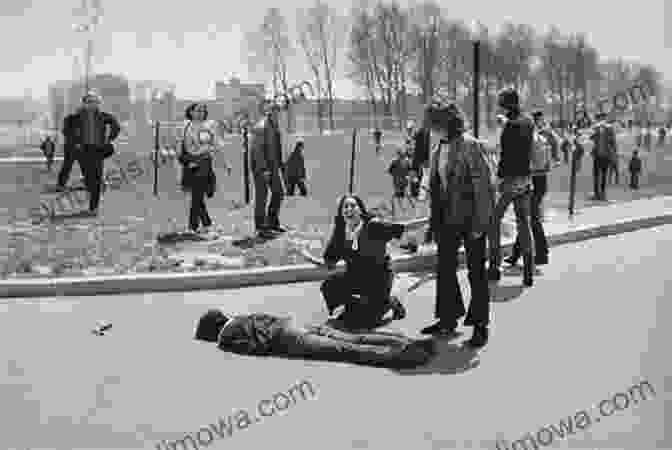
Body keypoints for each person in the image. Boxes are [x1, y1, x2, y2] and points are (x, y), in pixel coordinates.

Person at [418, 98, 495, 348]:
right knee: (445, 269)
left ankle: (481, 325)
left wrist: (480, 223)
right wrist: (433, 222)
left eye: (435, 124)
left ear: (447, 123)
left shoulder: (471, 146)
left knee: (476, 272)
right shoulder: (437, 150)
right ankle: (447, 319)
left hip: (471, 219)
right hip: (446, 221)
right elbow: (437, 189)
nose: (431, 129)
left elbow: (484, 188)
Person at [194, 309, 433, 368]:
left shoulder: (225, 338)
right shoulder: (241, 317)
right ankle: (408, 342)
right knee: (356, 337)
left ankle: (406, 356)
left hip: (287, 339)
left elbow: (253, 348)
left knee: (345, 350)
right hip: (293, 323)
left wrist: (268, 349)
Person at [320, 194, 410, 330]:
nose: (349, 209)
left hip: (378, 278)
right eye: (345, 206)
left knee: (368, 322)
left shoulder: (373, 226)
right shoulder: (340, 233)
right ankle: (346, 313)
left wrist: (431, 221)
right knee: (329, 285)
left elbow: (402, 228)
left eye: (353, 206)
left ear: (360, 209)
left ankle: (390, 302)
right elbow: (329, 263)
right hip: (356, 276)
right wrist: (306, 255)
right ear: (341, 212)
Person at [487, 88, 535, 286]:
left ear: (506, 106)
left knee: (493, 220)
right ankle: (528, 271)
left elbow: (505, 155)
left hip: (510, 180)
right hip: (526, 179)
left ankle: (495, 266)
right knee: (524, 223)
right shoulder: (529, 122)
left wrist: (498, 178)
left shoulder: (509, 127)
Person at [505, 110, 556, 268]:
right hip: (541, 181)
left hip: (531, 182)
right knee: (527, 218)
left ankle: (541, 254)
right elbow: (549, 161)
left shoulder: (529, 139)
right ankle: (516, 254)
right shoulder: (542, 137)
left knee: (531, 219)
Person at [60, 91, 121, 215]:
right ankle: (94, 189)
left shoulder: (104, 116)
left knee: (96, 179)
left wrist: (110, 138)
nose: (92, 104)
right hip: (83, 151)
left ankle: (94, 208)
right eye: (89, 102)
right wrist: (74, 141)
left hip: (98, 151)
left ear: (98, 104)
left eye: (94, 102)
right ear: (84, 103)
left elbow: (116, 126)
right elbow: (66, 130)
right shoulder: (74, 118)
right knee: (89, 179)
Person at [179, 103, 230, 233]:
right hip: (191, 163)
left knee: (197, 195)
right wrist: (185, 161)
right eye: (197, 110)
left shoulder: (210, 126)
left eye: (203, 111)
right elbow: (181, 146)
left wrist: (225, 164)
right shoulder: (186, 126)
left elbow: (217, 145)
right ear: (190, 112)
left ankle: (193, 227)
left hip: (205, 163)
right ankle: (206, 224)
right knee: (197, 196)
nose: (200, 113)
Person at [250, 102, 286, 238]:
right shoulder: (261, 126)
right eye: (273, 111)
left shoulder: (274, 125)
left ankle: (272, 222)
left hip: (273, 166)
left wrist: (280, 165)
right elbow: (256, 150)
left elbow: (275, 147)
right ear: (267, 112)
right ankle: (260, 227)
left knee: (279, 193)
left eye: (278, 111)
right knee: (262, 196)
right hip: (262, 167)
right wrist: (263, 169)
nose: (276, 113)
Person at [589, 112, 617, 201]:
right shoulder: (608, 128)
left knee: (597, 175)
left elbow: (591, 137)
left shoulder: (597, 128)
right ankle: (601, 193)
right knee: (602, 175)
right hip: (604, 155)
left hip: (600, 155)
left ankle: (598, 194)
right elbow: (613, 142)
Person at [388, 147, 413, 215]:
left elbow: (389, 171)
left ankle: (403, 208)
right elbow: (410, 171)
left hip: (397, 181)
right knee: (403, 193)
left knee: (399, 195)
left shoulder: (394, 162)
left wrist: (395, 174)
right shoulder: (406, 161)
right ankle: (408, 205)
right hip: (404, 181)